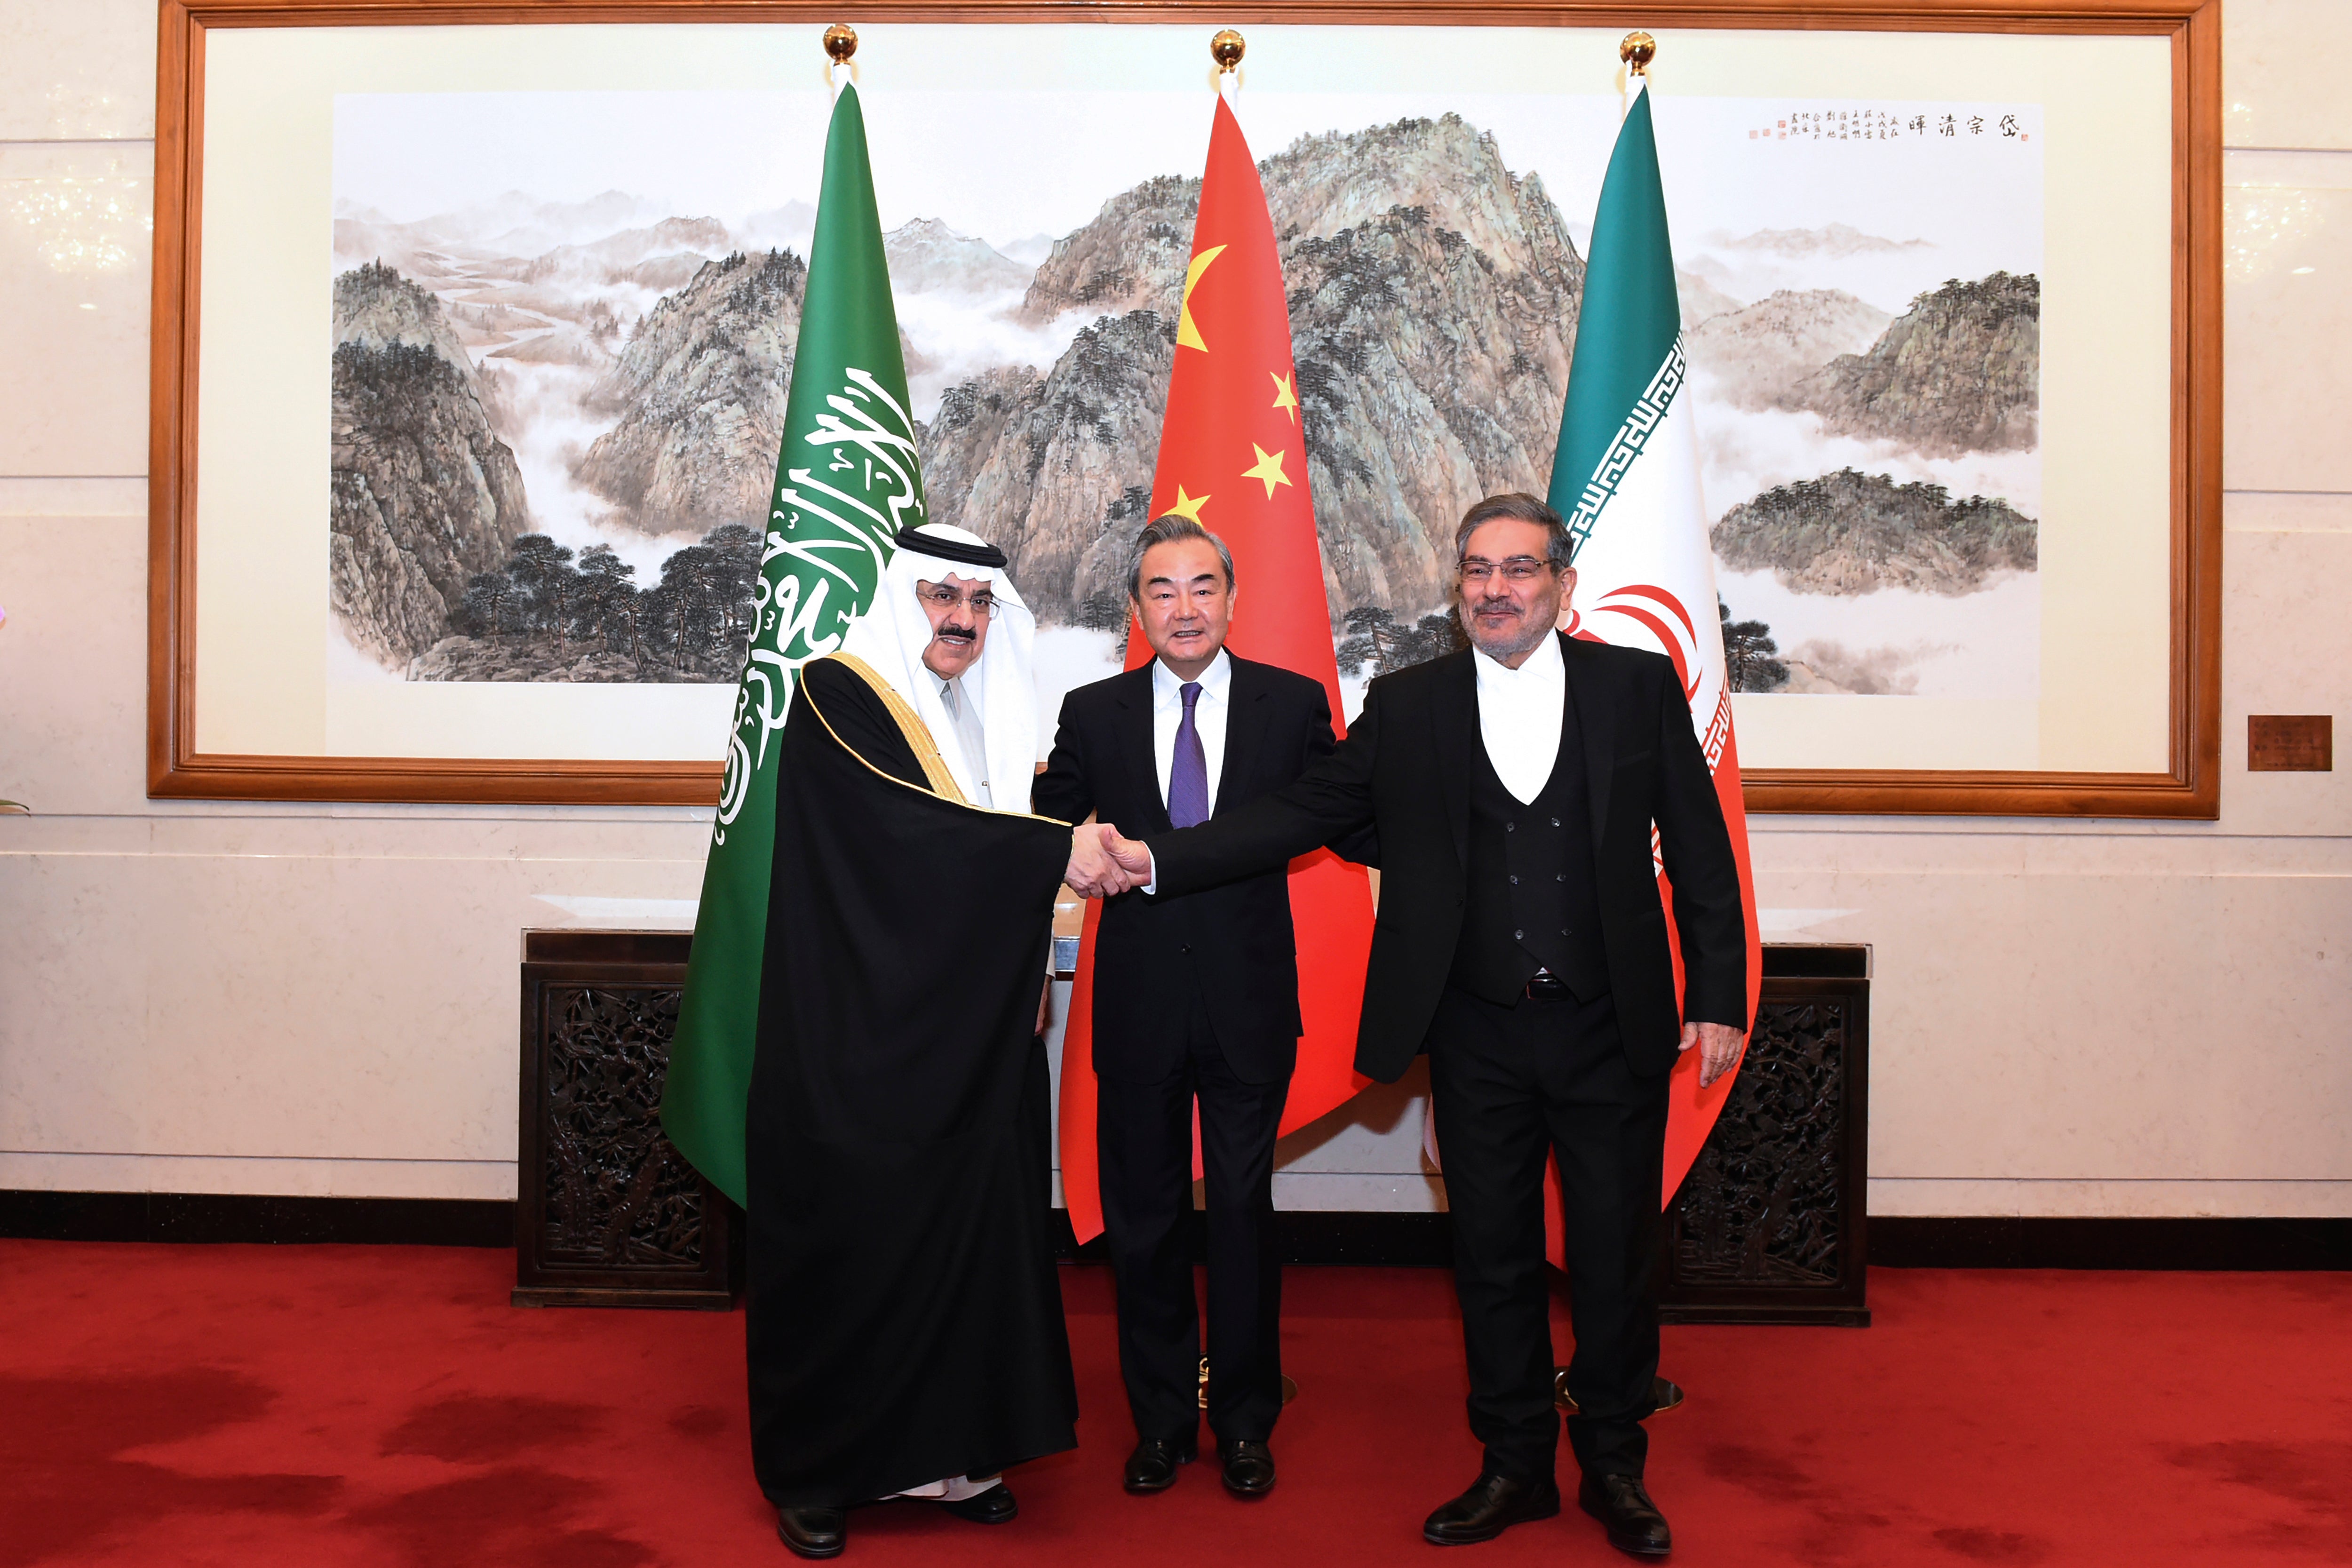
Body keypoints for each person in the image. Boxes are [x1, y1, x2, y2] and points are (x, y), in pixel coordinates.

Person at [1084, 494, 1748, 1558]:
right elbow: (1300, 815)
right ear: (1457, 588)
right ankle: (1515, 1462)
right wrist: (1159, 857)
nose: (1496, 588)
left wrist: (1717, 989)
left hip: (1611, 1023)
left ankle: (1616, 1465)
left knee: (1615, 1255)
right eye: (1477, 570)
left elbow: (1701, 848)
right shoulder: (1408, 703)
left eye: (1519, 569)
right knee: (1490, 1256)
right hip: (1475, 1031)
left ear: (1562, 587)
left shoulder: (1637, 686)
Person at [746, 522, 1129, 1560]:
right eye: (939, 597)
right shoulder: (839, 692)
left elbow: (973, 850)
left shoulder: (980, 713)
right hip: (857, 1037)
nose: (960, 619)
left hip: (969, 1029)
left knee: (972, 1232)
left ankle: (953, 1453)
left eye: (977, 603)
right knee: (857, 1234)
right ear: (901, 597)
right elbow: (903, 835)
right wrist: (1062, 848)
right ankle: (821, 1467)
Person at [1034, 516, 1373, 1502]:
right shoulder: (1092, 711)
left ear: (1232, 598)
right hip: (1136, 1003)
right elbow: (1052, 809)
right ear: (1135, 610)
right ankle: (1159, 1422)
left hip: (1248, 1000)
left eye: (1201, 587)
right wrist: (1072, 835)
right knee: (1142, 1224)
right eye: (1161, 590)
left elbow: (1343, 816)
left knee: (1238, 1215)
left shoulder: (1289, 702)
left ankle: (1245, 1422)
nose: (1183, 607)